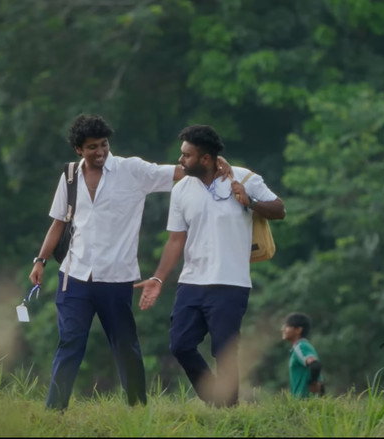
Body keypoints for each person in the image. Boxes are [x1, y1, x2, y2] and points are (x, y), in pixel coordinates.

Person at [29, 114, 232, 410]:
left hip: (116, 277)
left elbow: (177, 172)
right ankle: (54, 410)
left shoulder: (132, 170)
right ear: (78, 149)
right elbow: (59, 222)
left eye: (104, 144)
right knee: (70, 342)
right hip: (74, 276)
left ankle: (137, 408)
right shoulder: (70, 176)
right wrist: (40, 261)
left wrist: (214, 162)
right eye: (92, 147)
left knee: (125, 345)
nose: (100, 151)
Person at [136, 124, 286, 407]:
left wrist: (250, 201)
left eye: (186, 155)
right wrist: (158, 278)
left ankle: (228, 411)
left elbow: (279, 210)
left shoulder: (244, 178)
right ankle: (216, 399)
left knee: (224, 352)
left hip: (231, 283)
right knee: (180, 345)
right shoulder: (181, 189)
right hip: (191, 282)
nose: (181, 160)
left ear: (205, 158)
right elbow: (175, 240)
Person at [281, 312, 324, 398]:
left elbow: (315, 365)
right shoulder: (302, 347)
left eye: (287, 326)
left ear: (298, 330)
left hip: (305, 401)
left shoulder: (301, 346)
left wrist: (313, 383)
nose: (282, 329)